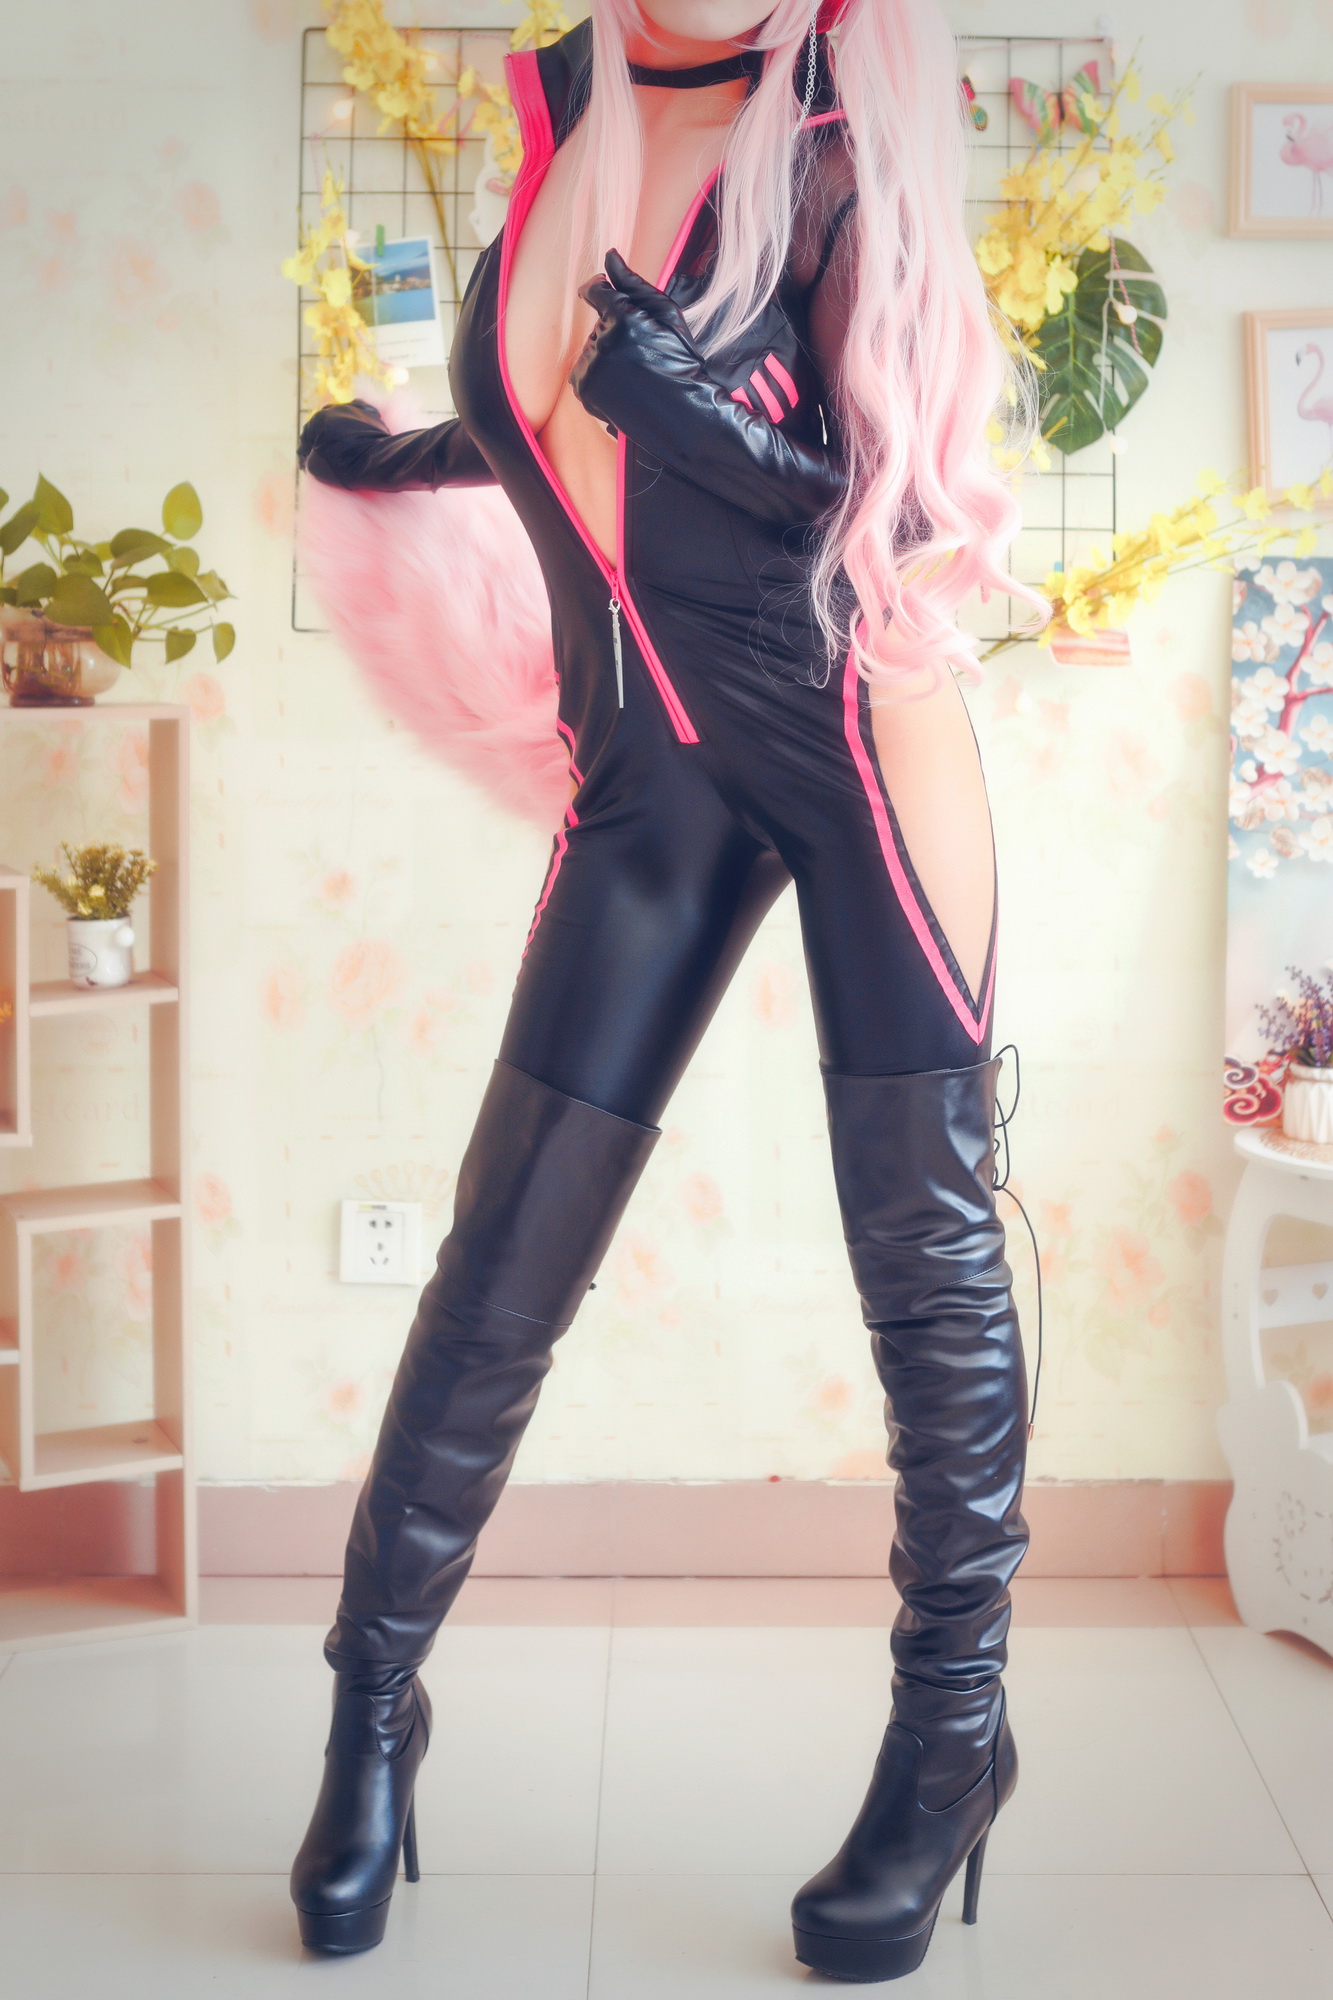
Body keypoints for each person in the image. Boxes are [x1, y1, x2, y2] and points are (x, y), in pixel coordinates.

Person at [291, 0, 1038, 1980]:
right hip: (650, 774)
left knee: (924, 1252)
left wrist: (684, 408)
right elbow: (563, 417)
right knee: (500, 1259)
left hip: (859, 739)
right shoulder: (562, 117)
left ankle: (949, 1748)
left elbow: (887, 510)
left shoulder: (836, 147)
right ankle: (371, 1712)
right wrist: (405, 453)